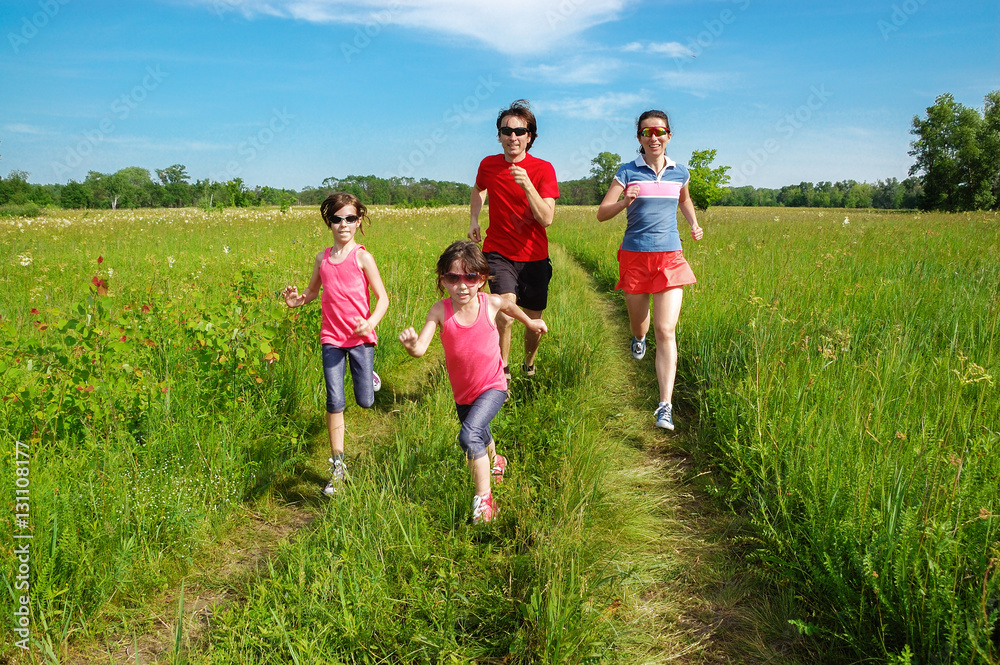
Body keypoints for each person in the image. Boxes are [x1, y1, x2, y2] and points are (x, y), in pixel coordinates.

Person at [398, 240, 548, 524]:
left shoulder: (489, 302)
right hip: (463, 393)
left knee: (468, 436)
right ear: (442, 279)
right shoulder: (439, 311)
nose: (462, 285)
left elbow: (508, 306)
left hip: (493, 386)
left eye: (471, 277)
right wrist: (410, 346)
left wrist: (530, 323)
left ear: (482, 278)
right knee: (480, 432)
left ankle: (485, 502)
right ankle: (496, 461)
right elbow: (420, 349)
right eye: (453, 277)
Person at [596, 110, 704, 431]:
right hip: (635, 257)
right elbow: (602, 213)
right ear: (639, 138)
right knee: (641, 326)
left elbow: (684, 199)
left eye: (659, 131)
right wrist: (623, 202)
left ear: (669, 135)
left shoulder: (679, 172)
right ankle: (637, 337)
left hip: (671, 257)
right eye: (646, 132)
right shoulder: (627, 173)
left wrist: (694, 224)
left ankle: (664, 406)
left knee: (666, 330)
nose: (653, 137)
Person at [283, 193, 389, 495]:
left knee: (365, 401)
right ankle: (338, 467)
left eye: (350, 219)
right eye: (337, 219)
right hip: (331, 338)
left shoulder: (363, 258)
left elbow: (383, 298)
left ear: (359, 221)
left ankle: (369, 376)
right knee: (334, 401)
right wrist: (297, 301)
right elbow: (312, 292)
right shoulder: (322, 258)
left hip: (360, 339)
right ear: (329, 222)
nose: (344, 224)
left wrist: (370, 322)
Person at [468, 99, 559, 379]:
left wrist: (527, 185)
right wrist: (474, 218)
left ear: (529, 136)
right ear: (499, 136)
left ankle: (529, 365)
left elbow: (546, 218)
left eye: (519, 131)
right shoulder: (488, 165)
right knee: (504, 312)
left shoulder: (543, 169)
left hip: (534, 256)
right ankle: (502, 372)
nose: (512, 137)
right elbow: (478, 189)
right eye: (506, 131)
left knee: (533, 320)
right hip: (498, 251)